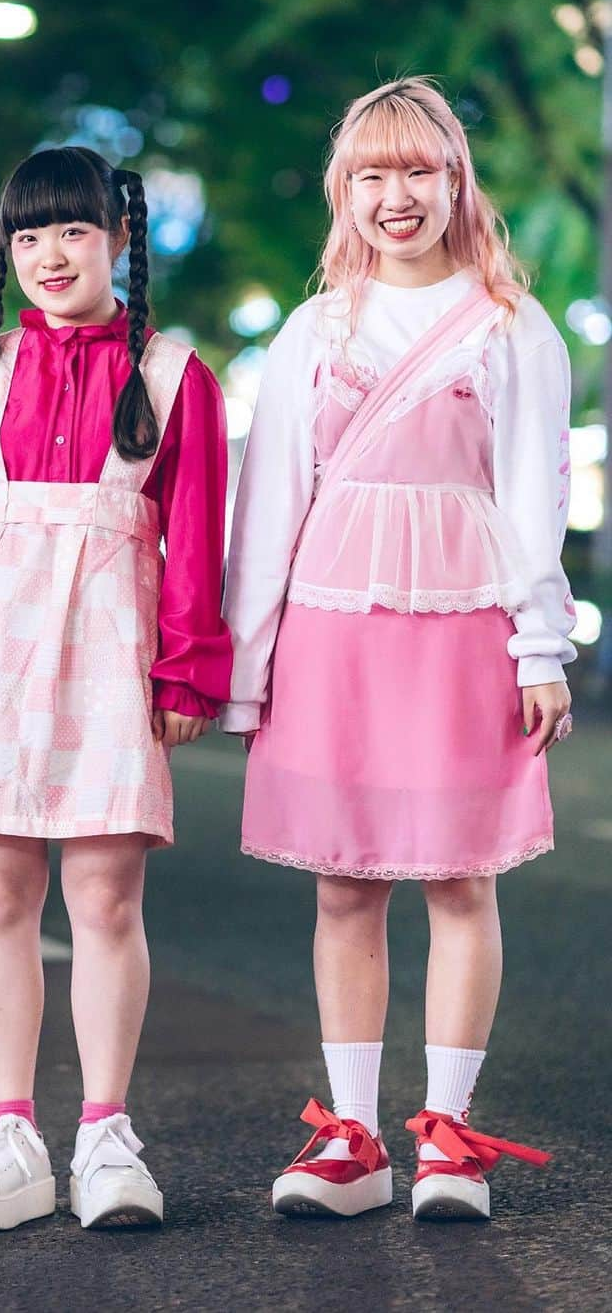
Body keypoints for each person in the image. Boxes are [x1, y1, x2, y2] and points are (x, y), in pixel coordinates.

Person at [221, 78, 573, 1221]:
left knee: (461, 879)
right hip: (332, 622)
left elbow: (536, 493)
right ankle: (356, 1141)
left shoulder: (514, 326)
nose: (395, 195)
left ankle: (451, 1140)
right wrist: (247, 661)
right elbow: (269, 501)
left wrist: (540, 646)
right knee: (345, 884)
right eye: (370, 175)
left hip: (467, 619)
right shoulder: (315, 327)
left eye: (417, 170)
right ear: (345, 195)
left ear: (456, 180)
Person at [0, 146, 231, 1230]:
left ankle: (109, 1136)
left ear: (121, 240)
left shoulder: (175, 377)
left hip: (112, 654)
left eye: (73, 231)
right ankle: (11, 1136)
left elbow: (197, 539)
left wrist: (188, 665)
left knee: (107, 900)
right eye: (28, 236)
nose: (50, 255)